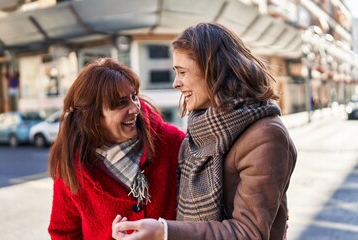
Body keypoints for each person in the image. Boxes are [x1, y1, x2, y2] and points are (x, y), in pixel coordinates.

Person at [112, 22, 297, 240]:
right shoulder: (202, 128)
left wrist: (165, 232)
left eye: (182, 72)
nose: (176, 84)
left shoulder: (265, 136)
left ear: (214, 72)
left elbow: (249, 233)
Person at [48, 57, 185, 239]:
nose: (135, 108)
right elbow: (63, 233)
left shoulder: (171, 142)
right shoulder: (70, 167)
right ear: (93, 116)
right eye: (121, 103)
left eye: (134, 97)